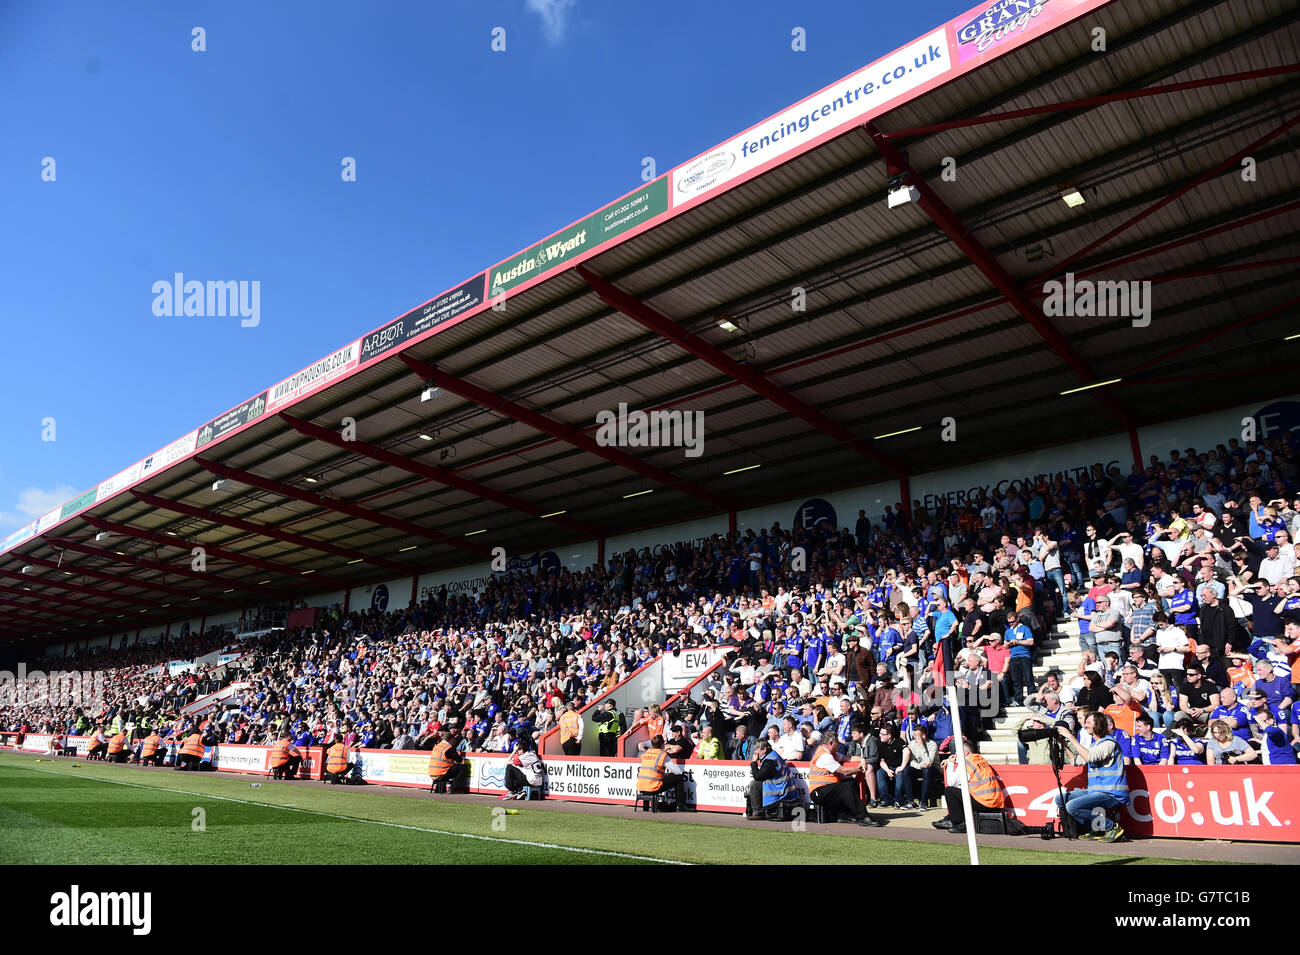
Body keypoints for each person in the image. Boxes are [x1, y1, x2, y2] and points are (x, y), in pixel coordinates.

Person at [1054, 711, 1129, 842]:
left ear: (1098, 724)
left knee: (1072, 806)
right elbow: (1076, 761)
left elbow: (1090, 757)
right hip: (1096, 792)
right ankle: (1097, 829)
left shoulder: (1109, 743)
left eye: (1088, 722)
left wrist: (1070, 736)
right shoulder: (1094, 745)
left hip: (1112, 793)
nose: (1085, 725)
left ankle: (1112, 827)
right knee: (1061, 798)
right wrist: (1064, 744)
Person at [931, 737, 1007, 834]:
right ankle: (949, 818)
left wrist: (950, 763)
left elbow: (951, 783)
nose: (955, 755)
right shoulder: (980, 759)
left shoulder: (966, 763)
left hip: (984, 802)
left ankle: (958, 823)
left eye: (957, 752)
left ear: (965, 753)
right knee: (958, 790)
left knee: (950, 791)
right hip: (995, 801)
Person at [807, 733, 883, 826]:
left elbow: (848, 758)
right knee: (845, 787)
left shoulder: (831, 753)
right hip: (818, 792)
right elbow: (845, 771)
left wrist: (862, 760)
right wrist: (861, 769)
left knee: (851, 783)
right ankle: (863, 817)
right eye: (837, 742)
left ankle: (845, 815)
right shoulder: (824, 756)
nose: (839, 744)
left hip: (827, 789)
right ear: (831, 743)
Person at [746, 738, 804, 821]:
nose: (755, 752)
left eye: (756, 749)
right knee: (756, 784)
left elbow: (757, 776)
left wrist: (754, 762)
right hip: (787, 792)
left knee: (754, 784)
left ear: (764, 750)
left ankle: (758, 812)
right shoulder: (773, 755)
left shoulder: (769, 761)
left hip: (781, 794)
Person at [635, 734, 688, 809]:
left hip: (641, 786)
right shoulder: (662, 755)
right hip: (653, 787)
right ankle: (681, 806)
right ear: (663, 744)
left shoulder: (646, 753)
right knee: (679, 778)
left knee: (651, 780)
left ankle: (645, 807)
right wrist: (667, 774)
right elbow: (677, 771)